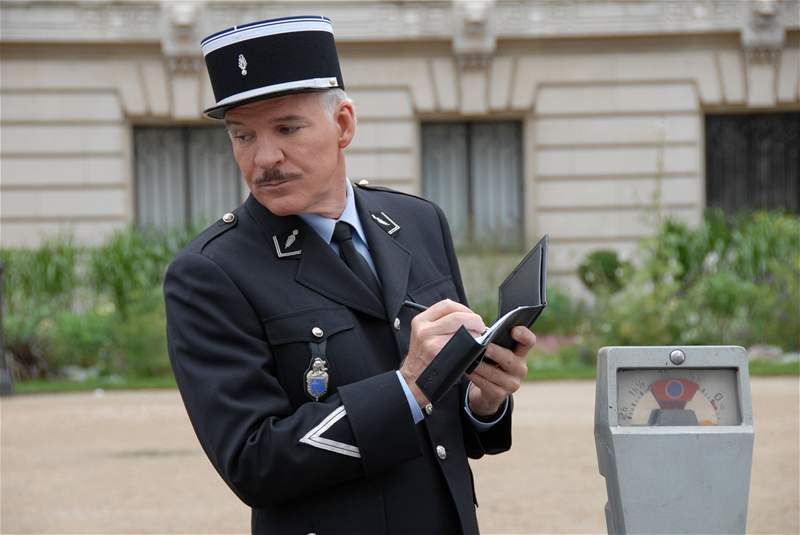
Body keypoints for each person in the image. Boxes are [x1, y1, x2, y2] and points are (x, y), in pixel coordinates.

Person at [164, 15, 536, 534]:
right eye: (242, 134)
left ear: (343, 124)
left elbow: (447, 432)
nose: (264, 157)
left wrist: (482, 402)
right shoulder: (211, 272)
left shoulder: (418, 222)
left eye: (287, 128)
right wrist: (408, 387)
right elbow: (253, 461)